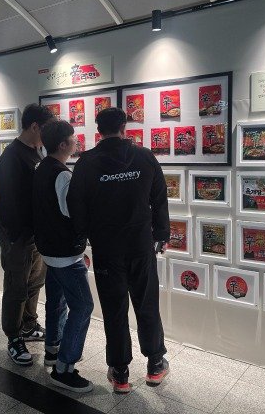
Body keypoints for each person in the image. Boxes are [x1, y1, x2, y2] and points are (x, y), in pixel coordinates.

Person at [68, 107, 170, 393]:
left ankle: (120, 372)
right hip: (141, 245)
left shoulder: (87, 162)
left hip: (106, 248)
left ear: (98, 130)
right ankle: (155, 364)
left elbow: (76, 203)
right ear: (124, 127)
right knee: (147, 304)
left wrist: (84, 236)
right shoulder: (144, 156)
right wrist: (162, 234)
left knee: (114, 309)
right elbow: (159, 197)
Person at [33, 120, 94, 393]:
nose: (76, 141)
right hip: (66, 253)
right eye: (73, 138)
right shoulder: (63, 175)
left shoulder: (41, 168)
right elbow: (72, 213)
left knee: (57, 302)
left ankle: (53, 349)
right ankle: (64, 368)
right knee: (83, 306)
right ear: (62, 144)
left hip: (48, 249)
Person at [0, 103, 54, 366]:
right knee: (16, 285)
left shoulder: (36, 152)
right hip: (18, 234)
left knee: (34, 282)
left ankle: (29, 325)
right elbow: (9, 203)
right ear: (34, 126)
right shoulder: (12, 156)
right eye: (46, 129)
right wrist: (17, 238)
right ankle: (13, 337)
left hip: (35, 234)